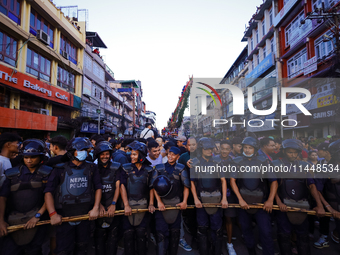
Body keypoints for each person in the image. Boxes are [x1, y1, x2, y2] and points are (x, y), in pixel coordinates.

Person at [44, 137, 102, 255]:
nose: (85, 153)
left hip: (85, 216)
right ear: (72, 152)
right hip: (64, 217)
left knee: (82, 247)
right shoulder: (59, 169)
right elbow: (48, 192)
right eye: (82, 150)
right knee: (63, 250)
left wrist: (96, 208)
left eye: (86, 150)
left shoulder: (92, 168)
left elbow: (98, 188)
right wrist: (53, 214)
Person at [273, 139, 325, 255]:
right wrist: (279, 203)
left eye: (295, 152)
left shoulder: (304, 166)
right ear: (284, 151)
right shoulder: (276, 165)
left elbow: (312, 186)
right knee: (284, 236)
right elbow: (274, 186)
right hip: (284, 207)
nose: (293, 155)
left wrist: (319, 205)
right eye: (289, 152)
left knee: (303, 237)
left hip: (302, 205)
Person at [0, 139, 52, 255]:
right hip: (13, 220)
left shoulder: (47, 173)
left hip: (38, 220)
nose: (29, 160)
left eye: (32, 157)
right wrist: (1, 220)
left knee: (35, 250)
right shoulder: (11, 174)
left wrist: (37, 216)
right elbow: (3, 197)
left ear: (40, 157)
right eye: (26, 157)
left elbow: (49, 196)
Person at [230, 136, 277, 255]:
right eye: (245, 147)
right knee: (246, 231)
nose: (247, 150)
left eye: (250, 148)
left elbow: (274, 181)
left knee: (266, 232)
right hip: (244, 204)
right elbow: (232, 181)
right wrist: (240, 200)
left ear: (255, 149)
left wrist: (270, 200)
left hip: (262, 203)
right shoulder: (237, 161)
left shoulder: (264, 161)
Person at [190, 137, 228, 255]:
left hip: (216, 198)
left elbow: (223, 181)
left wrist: (224, 198)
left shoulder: (217, 162)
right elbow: (192, 182)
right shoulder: (195, 162)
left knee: (217, 228)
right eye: (206, 149)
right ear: (201, 149)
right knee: (202, 227)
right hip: (201, 199)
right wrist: (196, 199)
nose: (209, 151)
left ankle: (216, 251)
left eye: (210, 149)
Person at [151, 146, 190, 255]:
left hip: (176, 204)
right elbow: (154, 186)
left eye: (173, 154)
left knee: (175, 234)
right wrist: (158, 201)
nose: (170, 156)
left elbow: (186, 185)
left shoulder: (181, 168)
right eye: (169, 153)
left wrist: (185, 201)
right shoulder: (159, 168)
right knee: (161, 235)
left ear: (178, 157)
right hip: (161, 205)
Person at [120, 141, 155, 255]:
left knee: (141, 233)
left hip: (143, 205)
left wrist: (151, 204)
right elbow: (122, 187)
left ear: (140, 155)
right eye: (131, 154)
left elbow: (151, 188)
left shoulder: (149, 170)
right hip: (128, 205)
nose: (131, 156)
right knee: (128, 233)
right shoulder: (126, 168)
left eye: (134, 154)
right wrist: (126, 205)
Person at [93, 141, 121, 255]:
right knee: (99, 238)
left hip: (113, 206)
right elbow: (92, 188)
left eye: (107, 154)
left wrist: (113, 204)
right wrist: (98, 205)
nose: (105, 157)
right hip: (98, 207)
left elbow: (118, 186)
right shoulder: (93, 168)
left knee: (113, 239)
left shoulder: (116, 167)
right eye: (102, 154)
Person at [315, 140, 340, 248]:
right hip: (330, 203)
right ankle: (324, 237)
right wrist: (328, 207)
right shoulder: (323, 168)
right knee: (325, 220)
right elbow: (318, 190)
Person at [219, 140, 237, 255]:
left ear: (230, 150)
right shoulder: (213, 161)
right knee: (217, 221)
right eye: (222, 148)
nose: (224, 151)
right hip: (215, 194)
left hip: (229, 195)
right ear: (218, 149)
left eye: (227, 149)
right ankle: (217, 244)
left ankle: (229, 244)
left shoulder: (234, 163)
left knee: (229, 219)